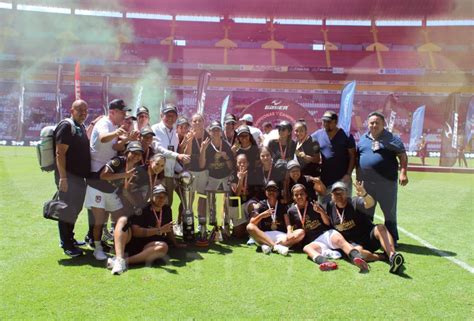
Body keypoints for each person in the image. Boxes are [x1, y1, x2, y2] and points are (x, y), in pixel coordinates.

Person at [323, 181, 405, 274]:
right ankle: (382, 257)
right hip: (354, 243)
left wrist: (364, 194)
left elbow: (370, 203)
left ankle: (392, 256)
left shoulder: (354, 201)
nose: (339, 196)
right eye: (335, 193)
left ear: (347, 193)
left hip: (368, 236)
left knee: (380, 227)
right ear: (331, 195)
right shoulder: (329, 206)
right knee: (357, 253)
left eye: (341, 192)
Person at [287, 184, 369, 272]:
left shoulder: (314, 204)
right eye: (296, 195)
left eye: (301, 194)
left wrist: (321, 211)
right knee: (306, 248)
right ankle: (327, 263)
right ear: (293, 197)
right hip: (315, 241)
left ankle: (357, 258)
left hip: (326, 234)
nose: (299, 196)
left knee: (339, 240)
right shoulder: (291, 211)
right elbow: (292, 228)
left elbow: (327, 222)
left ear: (306, 194)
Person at [85, 141, 144, 260]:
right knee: (100, 221)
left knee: (121, 218)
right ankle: (98, 249)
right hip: (96, 188)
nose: (136, 156)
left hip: (110, 192)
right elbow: (103, 175)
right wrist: (124, 175)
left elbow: (125, 190)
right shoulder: (118, 161)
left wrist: (135, 205)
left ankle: (119, 243)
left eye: (139, 154)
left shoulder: (134, 169)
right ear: (127, 152)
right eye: (134, 153)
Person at [357, 111, 409, 244]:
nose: (374, 125)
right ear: (367, 124)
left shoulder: (392, 138)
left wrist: (403, 172)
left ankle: (392, 240)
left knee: (389, 213)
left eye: (377, 123)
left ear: (383, 124)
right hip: (367, 185)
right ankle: (366, 238)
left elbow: (402, 155)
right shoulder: (363, 139)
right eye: (371, 123)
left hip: (387, 184)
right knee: (365, 212)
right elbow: (359, 159)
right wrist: (358, 179)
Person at [86, 98, 130, 247]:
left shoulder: (112, 125)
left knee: (103, 213)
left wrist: (127, 139)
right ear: (113, 112)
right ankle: (94, 241)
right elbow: (103, 138)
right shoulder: (104, 123)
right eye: (122, 112)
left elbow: (115, 148)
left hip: (104, 173)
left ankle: (96, 240)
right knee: (99, 214)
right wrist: (116, 132)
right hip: (96, 174)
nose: (124, 115)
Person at [107, 184, 172, 275]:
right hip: (133, 242)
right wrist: (158, 230)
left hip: (150, 246)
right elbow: (136, 232)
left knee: (163, 247)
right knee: (122, 220)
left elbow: (169, 228)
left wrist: (176, 243)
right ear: (151, 196)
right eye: (158, 196)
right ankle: (119, 258)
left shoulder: (167, 209)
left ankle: (122, 261)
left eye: (163, 196)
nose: (161, 199)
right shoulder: (143, 208)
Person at [54, 100, 91, 257]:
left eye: (85, 110)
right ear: (71, 110)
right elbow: (60, 153)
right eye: (80, 110)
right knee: (66, 210)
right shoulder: (66, 126)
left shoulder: (79, 126)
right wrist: (63, 178)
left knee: (75, 209)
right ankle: (67, 244)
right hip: (68, 177)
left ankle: (71, 238)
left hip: (78, 177)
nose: (83, 113)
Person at [151, 103, 191, 206]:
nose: (170, 118)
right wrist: (178, 155)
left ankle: (167, 222)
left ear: (176, 117)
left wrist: (183, 171)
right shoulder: (155, 129)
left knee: (168, 204)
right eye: (167, 115)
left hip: (170, 175)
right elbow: (159, 149)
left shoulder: (174, 133)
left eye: (173, 115)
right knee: (157, 203)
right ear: (161, 115)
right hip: (158, 174)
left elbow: (172, 159)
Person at [312, 110, 356, 200]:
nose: (325, 123)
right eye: (324, 121)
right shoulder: (317, 135)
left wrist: (348, 174)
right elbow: (304, 143)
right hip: (325, 181)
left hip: (343, 180)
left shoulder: (346, 136)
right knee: (324, 210)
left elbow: (353, 156)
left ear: (335, 122)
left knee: (344, 209)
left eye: (328, 121)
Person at [246, 181, 297, 256]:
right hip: (265, 234)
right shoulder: (260, 205)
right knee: (249, 227)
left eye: (274, 190)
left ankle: (266, 245)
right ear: (265, 192)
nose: (271, 192)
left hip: (280, 235)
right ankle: (276, 247)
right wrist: (262, 215)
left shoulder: (282, 205)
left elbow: (288, 223)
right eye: (269, 190)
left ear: (277, 192)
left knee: (301, 233)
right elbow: (252, 222)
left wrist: (289, 232)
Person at [199, 120, 234, 226]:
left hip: (225, 176)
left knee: (227, 200)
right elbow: (201, 165)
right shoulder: (206, 145)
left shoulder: (226, 145)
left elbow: (231, 167)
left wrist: (226, 157)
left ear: (221, 131)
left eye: (218, 130)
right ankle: (213, 222)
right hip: (212, 176)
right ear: (209, 132)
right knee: (209, 199)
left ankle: (227, 222)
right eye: (213, 130)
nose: (215, 132)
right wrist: (203, 150)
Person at [228, 154, 261, 237]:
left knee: (255, 207)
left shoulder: (253, 174)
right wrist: (240, 179)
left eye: (244, 162)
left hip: (248, 203)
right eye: (239, 163)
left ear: (248, 163)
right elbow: (237, 194)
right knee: (239, 234)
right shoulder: (233, 175)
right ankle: (244, 226)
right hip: (237, 205)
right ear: (236, 164)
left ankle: (254, 235)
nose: (242, 164)